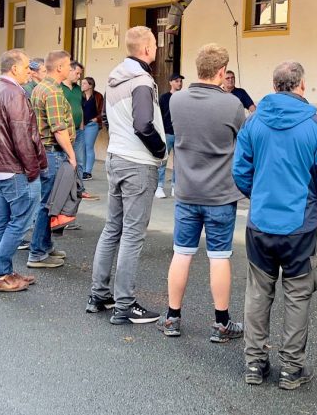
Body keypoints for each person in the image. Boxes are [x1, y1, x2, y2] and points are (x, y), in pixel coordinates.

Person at [234, 61, 317, 390]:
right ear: (302, 86)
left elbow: (240, 171)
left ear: (273, 84)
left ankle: (254, 363)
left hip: (260, 223)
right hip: (299, 226)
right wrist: (316, 205)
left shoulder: (253, 124)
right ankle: (291, 370)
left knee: (258, 292)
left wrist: (259, 197)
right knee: (298, 296)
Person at [157, 46, 245, 341]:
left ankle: (172, 317)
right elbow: (239, 136)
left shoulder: (177, 101)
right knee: (219, 257)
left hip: (186, 191)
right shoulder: (231, 104)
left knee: (181, 253)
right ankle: (221, 323)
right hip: (220, 193)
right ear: (222, 72)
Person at [87, 26, 167, 325]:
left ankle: (99, 295)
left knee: (113, 229)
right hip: (137, 163)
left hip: (115, 157)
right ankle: (125, 304)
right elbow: (144, 124)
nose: (157, 50)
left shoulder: (114, 78)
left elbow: (110, 118)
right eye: (156, 45)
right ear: (146, 49)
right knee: (132, 235)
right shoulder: (142, 82)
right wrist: (159, 151)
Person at [0, 50, 46, 293]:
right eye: (26, 67)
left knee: (3, 223)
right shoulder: (14, 93)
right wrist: (33, 170)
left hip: (0, 166)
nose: (29, 71)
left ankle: (3, 271)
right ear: (14, 68)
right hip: (14, 168)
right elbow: (23, 137)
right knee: (19, 222)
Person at [26, 50, 77, 270]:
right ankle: (37, 252)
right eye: (67, 66)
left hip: (44, 151)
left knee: (48, 201)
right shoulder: (53, 92)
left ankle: (45, 245)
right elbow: (58, 128)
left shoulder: (39, 88)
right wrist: (72, 155)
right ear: (59, 68)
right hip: (53, 152)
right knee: (49, 204)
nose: (70, 70)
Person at [61, 60, 96, 203]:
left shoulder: (77, 90)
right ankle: (64, 189)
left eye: (80, 74)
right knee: (65, 161)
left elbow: (79, 107)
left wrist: (81, 126)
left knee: (80, 160)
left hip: (78, 130)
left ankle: (79, 188)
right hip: (64, 131)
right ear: (69, 70)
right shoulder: (58, 87)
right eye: (77, 73)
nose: (79, 77)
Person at [156, 72, 184, 199]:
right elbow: (159, 115)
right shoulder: (164, 98)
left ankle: (175, 186)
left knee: (179, 162)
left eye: (180, 81)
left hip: (180, 133)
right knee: (163, 161)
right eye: (176, 81)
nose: (179, 83)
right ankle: (159, 186)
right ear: (171, 82)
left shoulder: (184, 97)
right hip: (167, 133)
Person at [80, 77, 105, 180]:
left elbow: (103, 110)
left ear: (90, 85)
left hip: (91, 125)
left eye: (84, 83)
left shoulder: (98, 96)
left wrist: (96, 119)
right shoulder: (79, 95)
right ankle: (82, 170)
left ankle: (88, 171)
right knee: (82, 148)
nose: (82, 85)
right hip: (80, 125)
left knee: (88, 146)